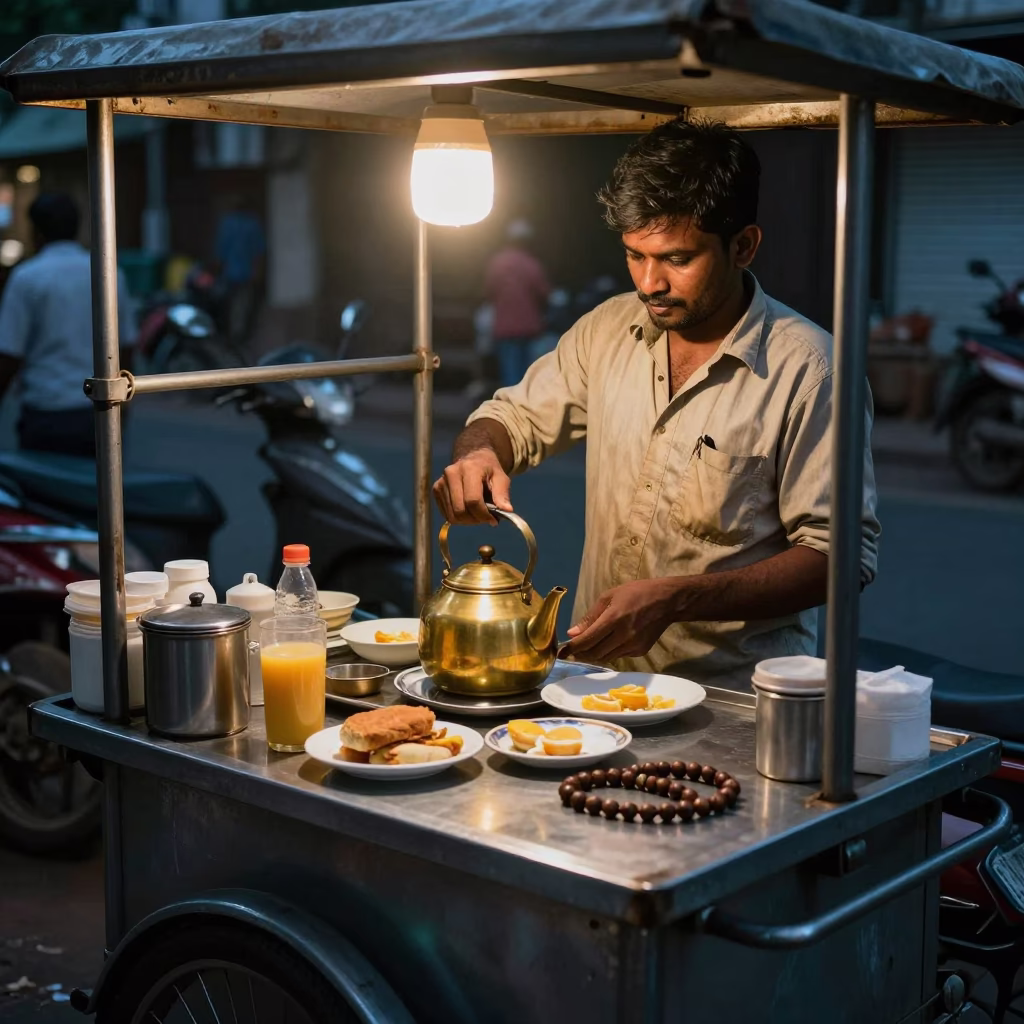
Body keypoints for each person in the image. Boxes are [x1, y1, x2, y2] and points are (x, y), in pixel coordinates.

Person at [434, 118, 880, 691]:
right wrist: (478, 454)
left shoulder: (813, 371)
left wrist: (676, 600)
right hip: (593, 687)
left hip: (734, 700)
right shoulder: (608, 328)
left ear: (743, 245)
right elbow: (512, 418)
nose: (650, 283)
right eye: (634, 255)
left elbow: (838, 560)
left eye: (677, 258)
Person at [0, 192, 136, 459]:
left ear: (35, 230)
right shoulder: (109, 272)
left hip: (47, 413)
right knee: (98, 495)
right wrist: (125, 407)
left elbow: (8, 355)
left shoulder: (27, 277)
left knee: (43, 495)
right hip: (100, 411)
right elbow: (126, 346)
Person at [484, 219, 551, 390]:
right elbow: (544, 293)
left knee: (509, 371)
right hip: (528, 326)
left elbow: (489, 290)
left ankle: (510, 409)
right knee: (526, 372)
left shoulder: (498, 263)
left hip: (505, 327)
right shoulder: (531, 264)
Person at [213, 194, 265, 350]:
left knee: (233, 306)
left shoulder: (229, 223)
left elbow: (221, 251)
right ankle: (238, 337)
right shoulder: (252, 224)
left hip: (232, 273)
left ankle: (233, 337)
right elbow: (259, 252)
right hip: (244, 273)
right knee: (241, 305)